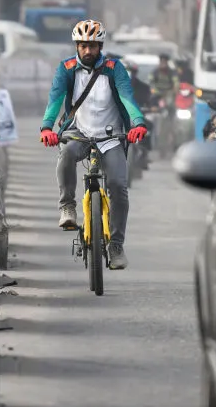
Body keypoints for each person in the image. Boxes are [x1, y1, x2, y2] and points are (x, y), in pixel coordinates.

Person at [39, 19, 148, 270]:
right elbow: (55, 100)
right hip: (79, 132)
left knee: (118, 186)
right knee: (66, 155)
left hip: (112, 136)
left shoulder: (114, 68)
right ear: (77, 46)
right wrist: (47, 127)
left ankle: (116, 245)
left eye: (93, 46)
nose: (88, 51)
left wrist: (138, 123)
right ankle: (67, 206)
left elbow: (126, 97)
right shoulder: (65, 68)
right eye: (84, 46)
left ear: (101, 46)